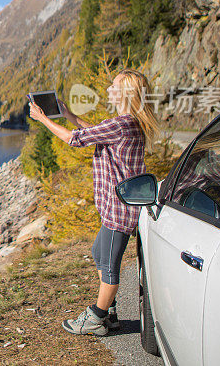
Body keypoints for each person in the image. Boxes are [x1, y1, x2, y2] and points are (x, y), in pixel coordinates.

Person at [27, 69, 159, 336]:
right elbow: (95, 132)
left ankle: (97, 318)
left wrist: (42, 119)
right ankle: (109, 312)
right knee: (99, 252)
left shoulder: (122, 123)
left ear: (125, 93)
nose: (109, 88)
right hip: (117, 207)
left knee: (109, 265)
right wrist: (69, 116)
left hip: (119, 209)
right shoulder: (127, 122)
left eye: (114, 85)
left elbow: (73, 139)